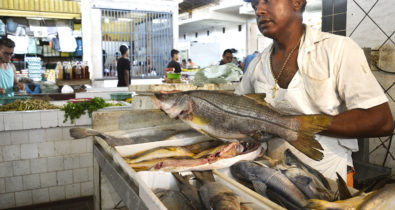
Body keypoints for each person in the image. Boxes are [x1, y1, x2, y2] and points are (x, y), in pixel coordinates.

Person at [236, 0, 393, 185]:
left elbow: (381, 120)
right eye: (255, 5)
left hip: (332, 181)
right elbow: (237, 109)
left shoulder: (337, 49)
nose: (259, 10)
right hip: (274, 180)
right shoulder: (257, 65)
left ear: (297, 2)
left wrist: (294, 125)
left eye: (268, 1)